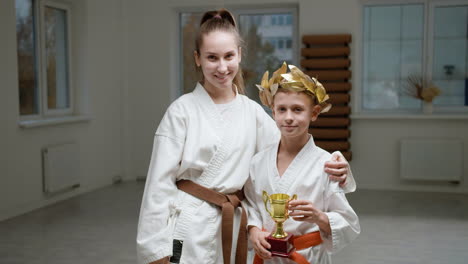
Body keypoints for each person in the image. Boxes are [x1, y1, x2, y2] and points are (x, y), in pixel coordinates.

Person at [136, 9, 355, 264]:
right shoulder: (181, 111)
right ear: (197, 59)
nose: (222, 67)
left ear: (239, 54)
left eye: (229, 56)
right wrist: (155, 250)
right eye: (212, 57)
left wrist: (338, 168)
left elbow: (290, 158)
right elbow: (158, 185)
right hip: (189, 223)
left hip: (235, 225)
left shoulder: (253, 113)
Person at [245, 63, 360, 264]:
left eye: (297, 109)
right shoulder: (258, 162)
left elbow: (349, 223)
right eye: (282, 109)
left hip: (307, 256)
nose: (288, 117)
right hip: (267, 258)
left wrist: (319, 217)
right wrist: (254, 231)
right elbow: (252, 206)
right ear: (273, 113)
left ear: (314, 113)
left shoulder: (327, 165)